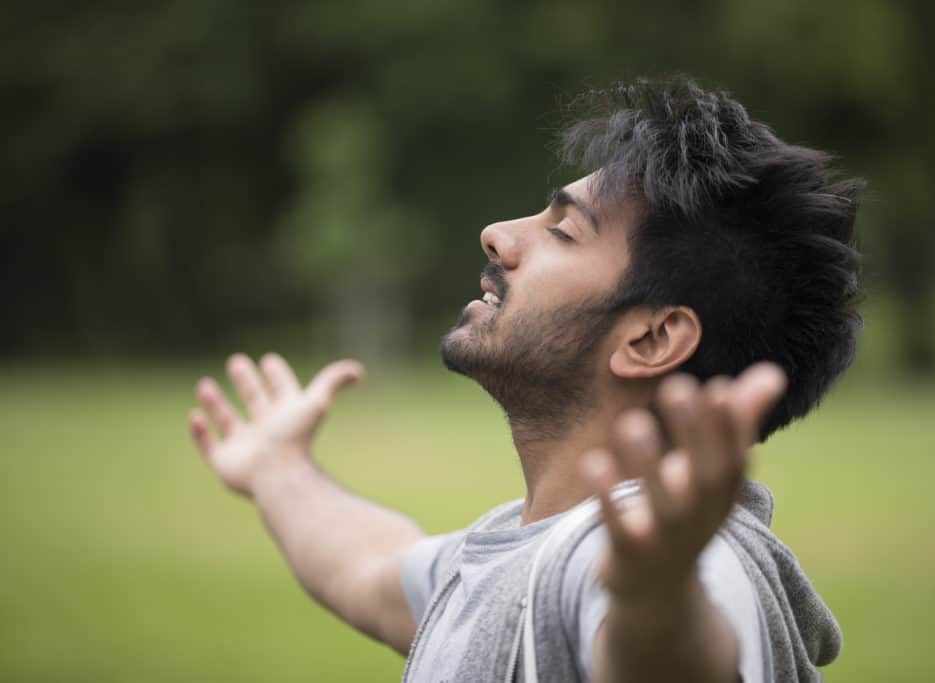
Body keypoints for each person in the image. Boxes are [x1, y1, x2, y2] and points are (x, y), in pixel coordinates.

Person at [188, 76, 863, 683]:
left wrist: (654, 597)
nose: (497, 235)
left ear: (651, 338)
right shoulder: (522, 551)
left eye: (564, 230)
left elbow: (671, 657)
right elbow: (370, 568)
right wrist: (277, 468)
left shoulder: (684, 569)